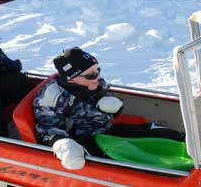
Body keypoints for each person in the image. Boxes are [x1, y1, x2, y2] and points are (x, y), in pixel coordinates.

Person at [33, 47, 185, 170]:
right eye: (91, 75)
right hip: (86, 144)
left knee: (164, 134)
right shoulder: (52, 98)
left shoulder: (93, 81)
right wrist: (61, 144)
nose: (97, 77)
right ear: (72, 78)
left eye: (98, 70)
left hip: (107, 129)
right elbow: (46, 129)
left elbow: (99, 95)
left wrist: (108, 103)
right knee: (142, 160)